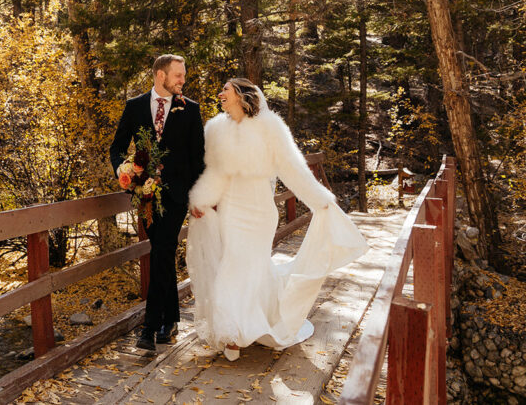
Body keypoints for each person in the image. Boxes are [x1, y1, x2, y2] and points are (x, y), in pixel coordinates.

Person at [187, 78, 368, 361]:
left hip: (259, 211)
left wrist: (318, 199)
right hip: (232, 209)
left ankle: (242, 330)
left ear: (241, 95)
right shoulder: (216, 129)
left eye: (226, 89)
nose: (220, 93)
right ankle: (233, 333)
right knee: (234, 262)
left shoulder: (270, 127)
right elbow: (216, 172)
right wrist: (202, 199)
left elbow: (291, 167)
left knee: (251, 266)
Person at [109, 54, 205, 351]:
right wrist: (123, 171)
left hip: (176, 197)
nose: (183, 80)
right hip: (145, 196)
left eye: (183, 75)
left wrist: (196, 197)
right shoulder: (135, 107)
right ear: (160, 76)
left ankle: (149, 328)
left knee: (162, 250)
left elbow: (197, 159)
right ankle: (171, 319)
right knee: (163, 253)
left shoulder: (190, 110)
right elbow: (116, 148)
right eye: (178, 75)